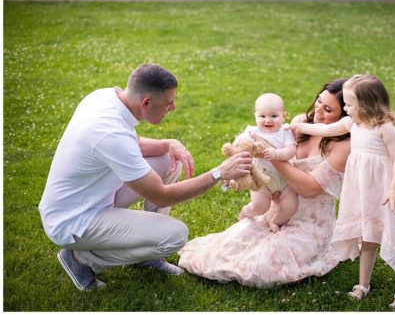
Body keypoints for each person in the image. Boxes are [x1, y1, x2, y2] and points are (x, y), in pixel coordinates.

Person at [38, 63, 254, 291]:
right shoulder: (109, 132)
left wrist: (168, 144)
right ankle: (82, 260)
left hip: (93, 197)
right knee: (175, 235)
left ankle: (146, 254)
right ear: (146, 103)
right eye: (168, 103)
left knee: (167, 159)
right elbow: (161, 196)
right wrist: (219, 173)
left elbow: (130, 145)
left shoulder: (105, 97)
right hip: (74, 220)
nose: (173, 108)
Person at [177, 78, 352, 288]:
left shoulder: (343, 145)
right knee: (229, 246)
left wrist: (269, 152)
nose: (318, 113)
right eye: (318, 102)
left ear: (345, 116)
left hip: (310, 221)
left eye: (328, 110)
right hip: (276, 204)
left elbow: (308, 188)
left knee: (268, 263)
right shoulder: (301, 124)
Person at [290, 74, 395, 310]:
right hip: (363, 190)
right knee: (367, 237)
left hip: (386, 191)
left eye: (349, 104)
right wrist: (296, 126)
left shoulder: (386, 130)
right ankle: (363, 283)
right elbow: (324, 130)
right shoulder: (351, 124)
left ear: (366, 105)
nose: (345, 108)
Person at [234, 93, 298, 233]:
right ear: (255, 116)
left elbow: (291, 150)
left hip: (284, 179)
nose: (268, 120)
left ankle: (275, 221)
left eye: (274, 116)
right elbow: (240, 145)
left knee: (291, 205)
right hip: (260, 178)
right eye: (262, 116)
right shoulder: (251, 131)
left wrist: (277, 154)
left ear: (284, 116)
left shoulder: (285, 131)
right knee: (260, 207)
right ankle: (246, 211)